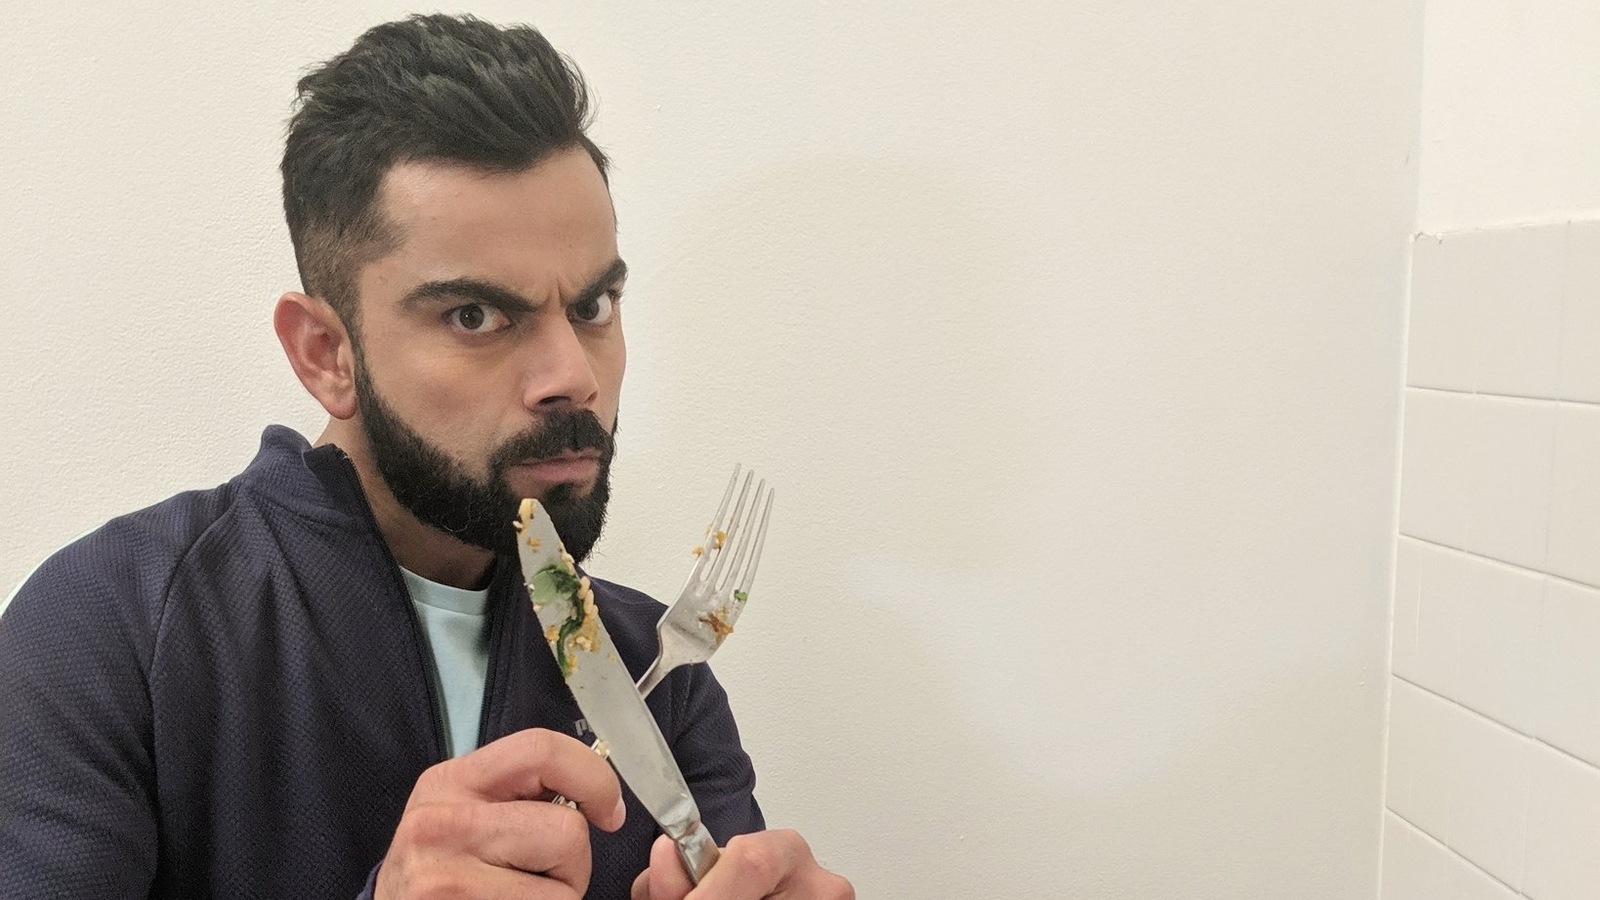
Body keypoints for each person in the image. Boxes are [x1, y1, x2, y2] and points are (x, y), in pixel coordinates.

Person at [0, 13, 852, 900]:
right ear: (327, 355)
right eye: (476, 316)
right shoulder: (111, 627)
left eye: (593, 306)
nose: (572, 376)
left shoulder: (655, 675)